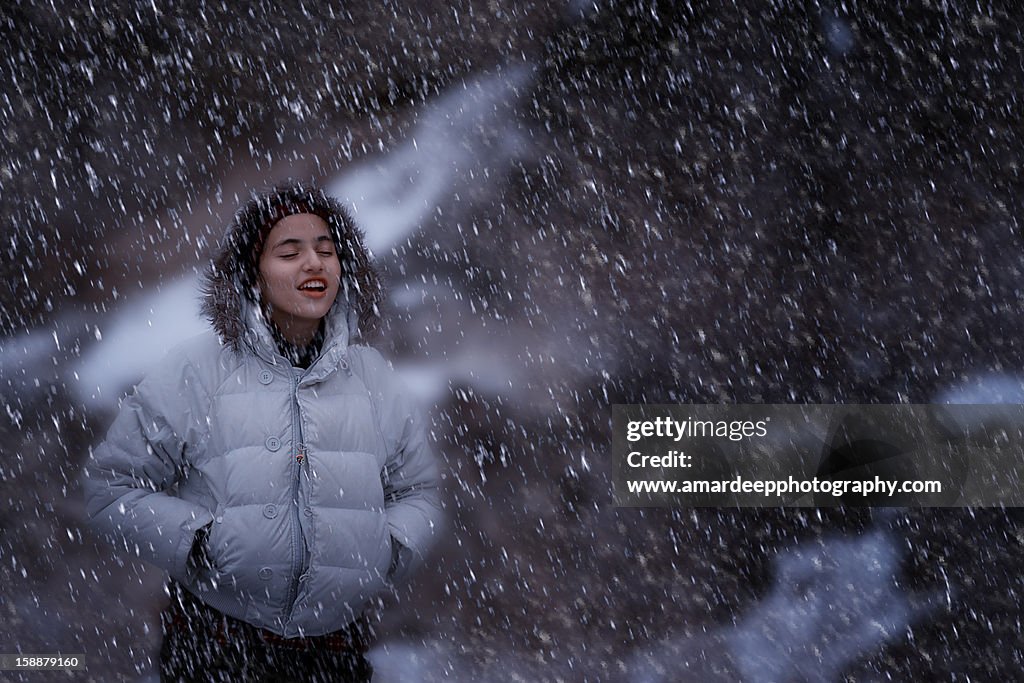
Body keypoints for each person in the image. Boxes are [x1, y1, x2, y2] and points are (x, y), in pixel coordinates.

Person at [83, 182, 443, 682]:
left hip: (335, 653)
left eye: (327, 250)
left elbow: (419, 490)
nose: (314, 263)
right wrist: (200, 540)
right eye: (289, 251)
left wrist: (389, 549)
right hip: (216, 648)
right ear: (252, 274)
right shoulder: (197, 371)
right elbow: (108, 487)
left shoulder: (373, 377)